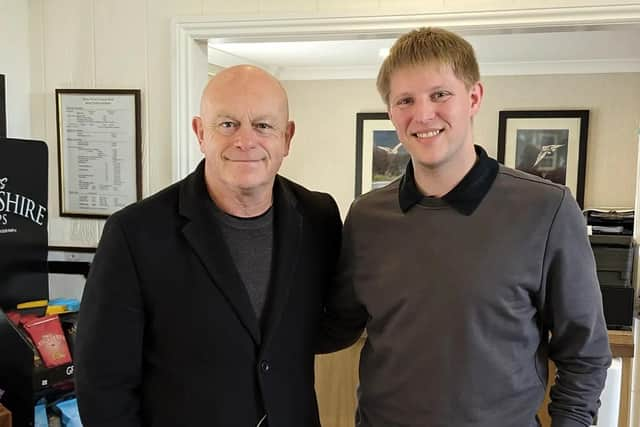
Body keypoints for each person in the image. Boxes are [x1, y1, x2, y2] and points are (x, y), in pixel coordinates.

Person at [319, 27, 611, 427]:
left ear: (474, 98)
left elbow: (585, 353)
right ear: (391, 112)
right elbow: (336, 325)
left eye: (440, 94)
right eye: (405, 100)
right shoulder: (366, 217)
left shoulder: (547, 209)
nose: (423, 114)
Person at [75, 65, 342, 427]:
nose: (245, 141)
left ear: (287, 138)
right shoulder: (135, 233)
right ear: (201, 133)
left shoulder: (319, 218)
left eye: (263, 125)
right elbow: (103, 383)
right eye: (227, 124)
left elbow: (327, 324)